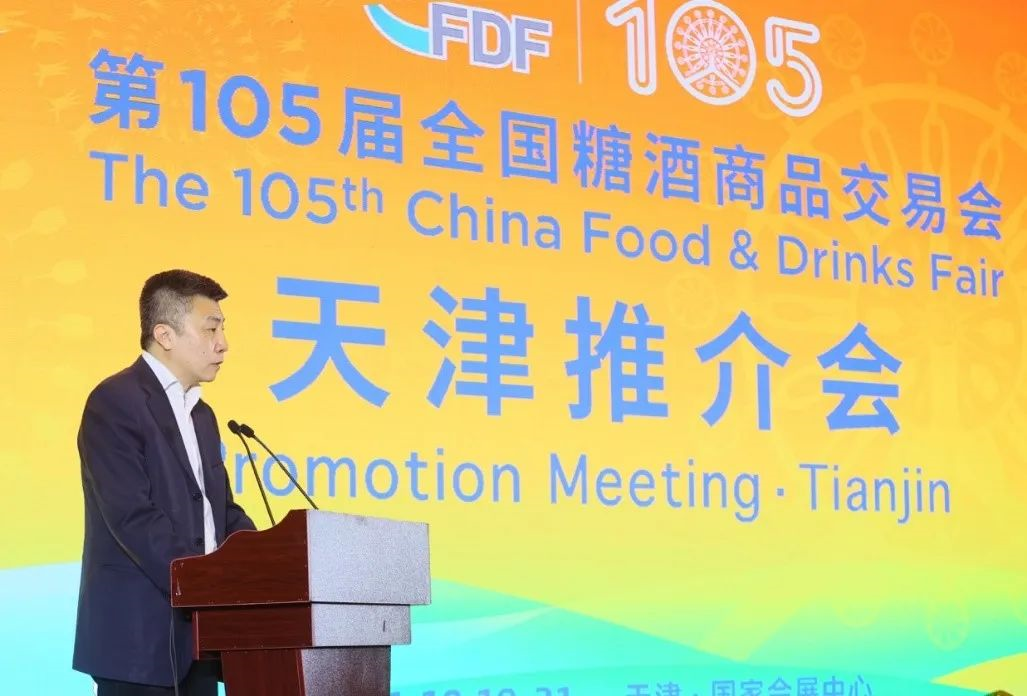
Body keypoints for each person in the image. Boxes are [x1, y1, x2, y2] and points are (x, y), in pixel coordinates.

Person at [73, 270, 256, 695]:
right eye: (211, 328)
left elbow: (221, 512)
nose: (223, 343)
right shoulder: (115, 401)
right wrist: (205, 583)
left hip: (202, 641)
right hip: (138, 640)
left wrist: (269, 562)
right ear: (165, 335)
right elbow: (132, 516)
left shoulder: (203, 416)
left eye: (223, 329)